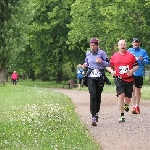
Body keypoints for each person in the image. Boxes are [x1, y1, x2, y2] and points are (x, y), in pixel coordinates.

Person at [106, 40, 139, 122]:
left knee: (128, 98)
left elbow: (136, 66)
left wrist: (131, 71)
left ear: (126, 46)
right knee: (121, 96)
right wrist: (112, 71)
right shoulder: (114, 56)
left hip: (129, 79)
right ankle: (122, 115)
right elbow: (107, 66)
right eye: (121, 45)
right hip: (119, 79)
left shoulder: (131, 56)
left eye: (124, 44)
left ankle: (126, 105)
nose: (123, 46)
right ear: (118, 46)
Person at [82, 37, 110, 126]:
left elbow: (109, 63)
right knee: (92, 95)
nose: (92, 47)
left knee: (98, 95)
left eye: (94, 45)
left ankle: (96, 113)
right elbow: (86, 63)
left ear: (97, 46)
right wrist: (84, 65)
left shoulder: (102, 53)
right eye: (91, 45)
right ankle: (93, 116)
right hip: (91, 76)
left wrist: (101, 62)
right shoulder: (88, 53)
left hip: (99, 76)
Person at [128, 38, 149, 114]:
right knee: (132, 90)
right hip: (131, 73)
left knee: (138, 91)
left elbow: (148, 61)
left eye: (137, 42)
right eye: (134, 42)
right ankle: (133, 106)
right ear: (132, 43)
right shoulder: (129, 51)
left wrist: (143, 59)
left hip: (139, 73)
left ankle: (137, 105)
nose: (135, 43)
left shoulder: (143, 51)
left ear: (139, 43)